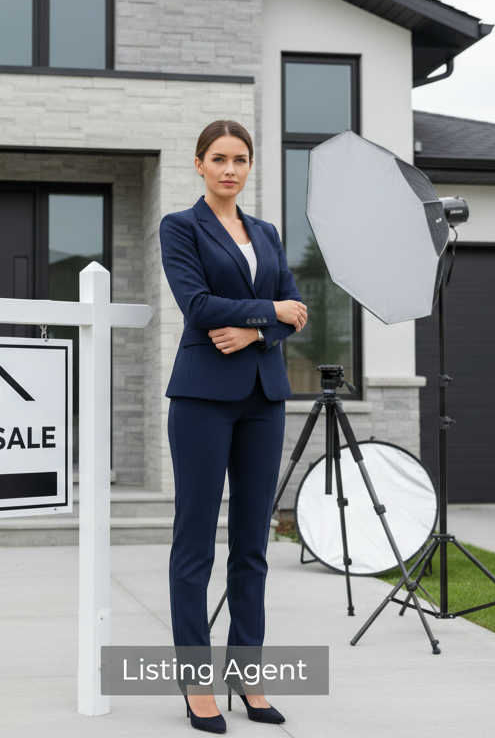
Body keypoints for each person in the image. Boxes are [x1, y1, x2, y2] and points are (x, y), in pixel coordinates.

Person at [160, 119, 309, 733]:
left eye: (240, 159)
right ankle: (195, 682)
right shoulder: (180, 227)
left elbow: (297, 310)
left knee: (253, 543)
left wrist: (259, 326)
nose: (229, 168)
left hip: (264, 397)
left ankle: (248, 674)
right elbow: (195, 304)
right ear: (199, 164)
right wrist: (270, 309)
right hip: (201, 397)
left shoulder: (268, 232)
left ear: (250, 167)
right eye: (218, 158)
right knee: (195, 542)